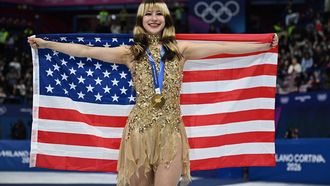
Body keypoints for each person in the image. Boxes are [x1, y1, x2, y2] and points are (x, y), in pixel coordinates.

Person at [28, 0, 278, 185]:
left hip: (170, 131)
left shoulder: (181, 50)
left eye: (160, 13)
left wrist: (263, 43)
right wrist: (47, 44)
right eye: (149, 14)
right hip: (139, 131)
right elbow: (85, 51)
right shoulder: (130, 53)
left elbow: (223, 47)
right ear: (141, 20)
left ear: (167, 19)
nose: (154, 18)